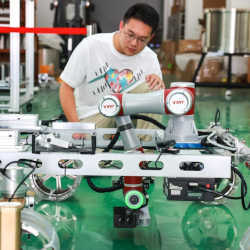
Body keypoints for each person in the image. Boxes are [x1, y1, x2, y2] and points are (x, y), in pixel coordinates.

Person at [59, 3, 165, 138]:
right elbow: (66, 88)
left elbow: (158, 101)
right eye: (130, 35)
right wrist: (77, 127)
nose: (134, 43)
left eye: (142, 39)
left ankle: (146, 152)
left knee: (153, 90)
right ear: (121, 26)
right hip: (95, 114)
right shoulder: (91, 45)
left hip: (129, 113)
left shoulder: (150, 58)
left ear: (151, 38)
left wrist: (158, 85)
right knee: (92, 154)